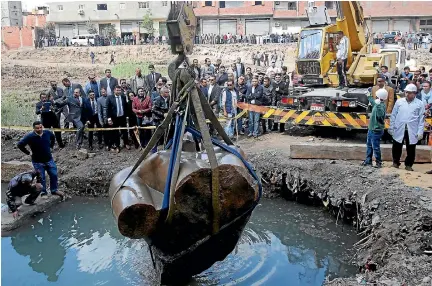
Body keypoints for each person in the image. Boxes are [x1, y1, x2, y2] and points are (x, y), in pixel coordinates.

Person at [17, 121, 65, 200]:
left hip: (49, 159)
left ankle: (54, 190)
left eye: (40, 127)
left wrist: (51, 146)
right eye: (37, 128)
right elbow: (20, 145)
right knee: (41, 177)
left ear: (42, 126)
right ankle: (43, 192)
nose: (39, 129)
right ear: (34, 128)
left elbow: (53, 137)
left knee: (54, 174)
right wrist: (28, 153)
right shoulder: (29, 136)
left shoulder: (47, 133)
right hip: (37, 161)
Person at [389, 84, 425, 171]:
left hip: (412, 129)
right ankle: (395, 162)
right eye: (406, 92)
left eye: (410, 93)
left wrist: (420, 131)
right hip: (399, 128)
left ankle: (409, 165)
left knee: (411, 148)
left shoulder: (420, 104)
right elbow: (393, 115)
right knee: (397, 146)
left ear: (414, 93)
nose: (407, 94)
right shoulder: (399, 102)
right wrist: (391, 127)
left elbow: (421, 119)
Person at [362, 89, 388, 168]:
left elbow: (380, 115)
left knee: (375, 147)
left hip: (376, 130)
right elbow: (373, 102)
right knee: (369, 145)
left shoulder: (381, 106)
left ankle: (378, 162)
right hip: (371, 129)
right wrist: (369, 96)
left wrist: (377, 105)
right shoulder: (378, 103)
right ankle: (368, 161)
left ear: (379, 97)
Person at [105, 85, 130, 152]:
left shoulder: (123, 97)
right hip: (114, 118)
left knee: (124, 131)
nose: (118, 92)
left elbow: (125, 107)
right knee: (115, 132)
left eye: (119, 90)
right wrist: (109, 119)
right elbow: (108, 109)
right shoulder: (110, 98)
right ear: (114, 90)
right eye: (117, 90)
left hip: (122, 117)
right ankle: (117, 145)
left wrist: (127, 116)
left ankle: (126, 143)